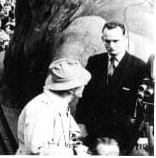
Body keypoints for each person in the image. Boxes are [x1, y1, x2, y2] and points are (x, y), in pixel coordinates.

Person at [76, 21, 148, 153]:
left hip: (123, 136)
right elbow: (85, 96)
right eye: (107, 41)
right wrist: (80, 123)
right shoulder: (94, 62)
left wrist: (142, 135)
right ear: (102, 39)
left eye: (116, 41)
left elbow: (143, 105)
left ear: (125, 39)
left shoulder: (139, 66)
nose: (111, 45)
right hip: (94, 132)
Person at [16, 58, 91, 155]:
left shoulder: (60, 105)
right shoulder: (42, 109)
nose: (85, 84)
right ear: (71, 89)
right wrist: (74, 152)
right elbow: (37, 150)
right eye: (82, 83)